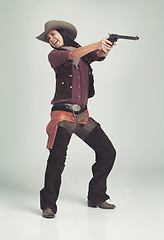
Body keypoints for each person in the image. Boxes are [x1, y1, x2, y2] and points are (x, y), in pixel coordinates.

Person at [36, 20, 116, 218]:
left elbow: (98, 55)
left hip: (82, 116)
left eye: (53, 34)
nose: (52, 39)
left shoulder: (83, 53)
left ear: (64, 33)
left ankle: (96, 196)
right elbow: (72, 55)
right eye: (49, 38)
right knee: (56, 160)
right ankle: (49, 205)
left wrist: (105, 47)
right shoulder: (55, 55)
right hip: (62, 116)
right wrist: (97, 44)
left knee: (107, 152)